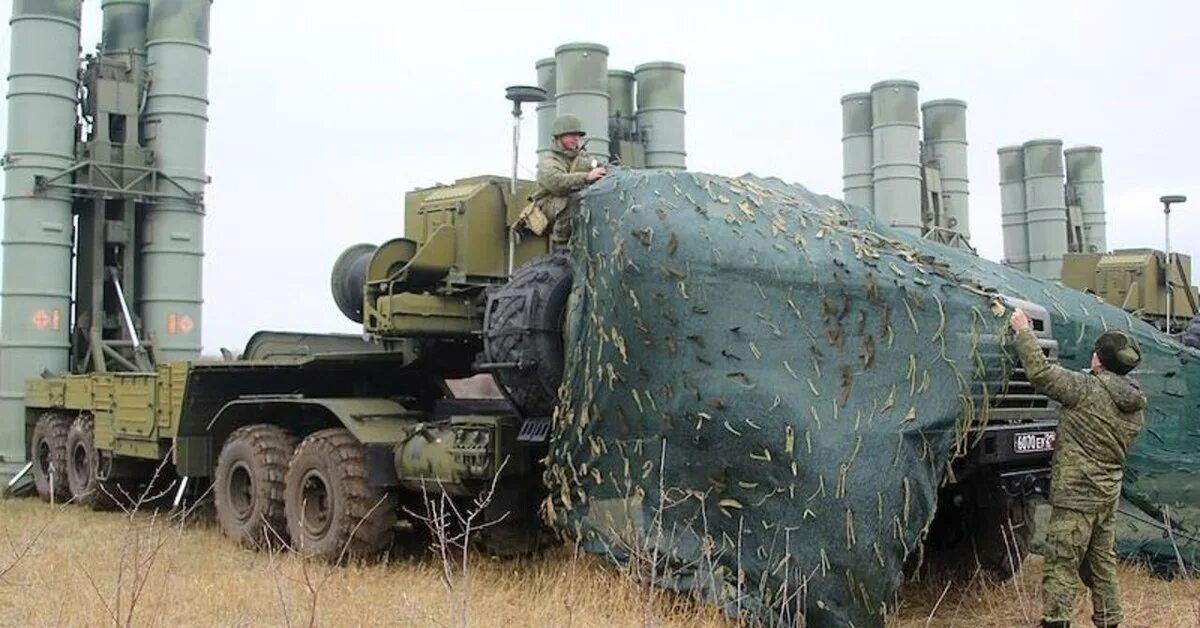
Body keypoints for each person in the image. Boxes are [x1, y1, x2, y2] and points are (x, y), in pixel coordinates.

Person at [1009, 308, 1147, 628]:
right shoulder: (1134, 402)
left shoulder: (1085, 388)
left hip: (1077, 494)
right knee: (1101, 563)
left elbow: (1041, 373)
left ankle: (1056, 621)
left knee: (1061, 562)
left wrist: (1023, 331)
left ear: (1098, 360)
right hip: (1106, 493)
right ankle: (1110, 620)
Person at [527, 113, 606, 246]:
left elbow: (595, 164)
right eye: (571, 135)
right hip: (548, 205)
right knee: (572, 201)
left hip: (570, 201)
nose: (575, 139)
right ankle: (561, 245)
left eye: (578, 136)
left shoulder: (580, 157)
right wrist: (586, 177)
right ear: (559, 136)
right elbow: (556, 182)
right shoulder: (548, 160)